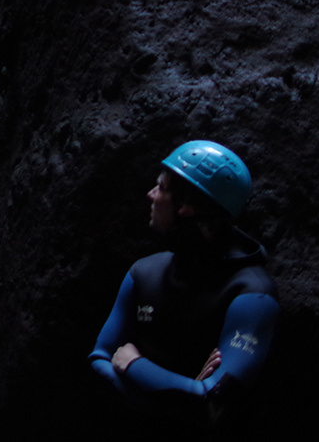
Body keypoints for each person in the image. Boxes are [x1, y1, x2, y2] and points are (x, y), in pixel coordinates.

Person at [89, 140, 279, 428]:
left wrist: (132, 364)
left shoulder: (252, 296)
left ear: (187, 206)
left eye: (162, 188)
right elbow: (99, 360)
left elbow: (214, 404)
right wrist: (182, 397)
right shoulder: (144, 273)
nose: (150, 194)